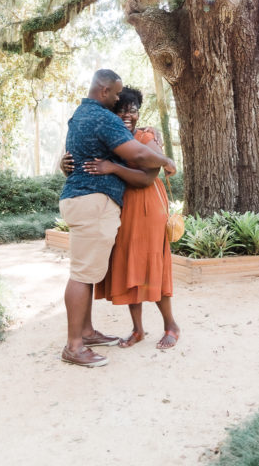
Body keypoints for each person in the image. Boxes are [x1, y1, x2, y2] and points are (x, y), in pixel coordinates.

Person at [58, 69, 176, 368]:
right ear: (105, 91)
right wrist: (166, 160)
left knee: (93, 272)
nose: (121, 109)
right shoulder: (102, 118)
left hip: (108, 204)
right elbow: (137, 155)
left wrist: (149, 157)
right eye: (117, 100)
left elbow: (143, 169)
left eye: (130, 109)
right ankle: (75, 346)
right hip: (93, 202)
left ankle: (87, 332)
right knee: (84, 275)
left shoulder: (81, 116)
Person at [82, 87, 181, 350]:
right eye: (122, 109)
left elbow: (151, 172)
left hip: (147, 206)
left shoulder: (145, 136)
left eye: (133, 110)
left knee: (153, 266)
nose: (128, 115)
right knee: (131, 268)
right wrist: (65, 163)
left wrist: (114, 166)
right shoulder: (109, 137)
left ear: (139, 112)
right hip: (122, 208)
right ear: (112, 111)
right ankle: (138, 330)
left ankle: (171, 325)